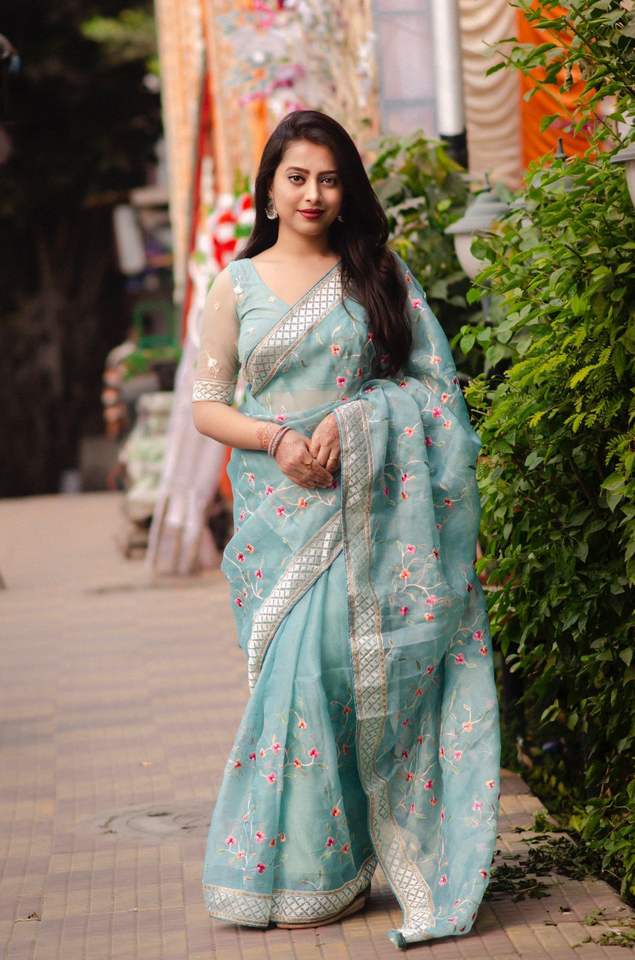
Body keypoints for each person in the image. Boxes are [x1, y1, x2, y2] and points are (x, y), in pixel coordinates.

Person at [192, 109, 500, 949]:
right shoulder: (235, 285)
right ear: (268, 189)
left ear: (347, 188)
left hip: (371, 515)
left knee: (319, 676)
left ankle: (316, 871)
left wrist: (359, 419)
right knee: (291, 684)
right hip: (278, 518)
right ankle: (296, 870)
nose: (313, 194)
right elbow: (208, 407)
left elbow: (433, 391)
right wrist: (275, 439)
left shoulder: (378, 273)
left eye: (329, 179)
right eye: (296, 177)